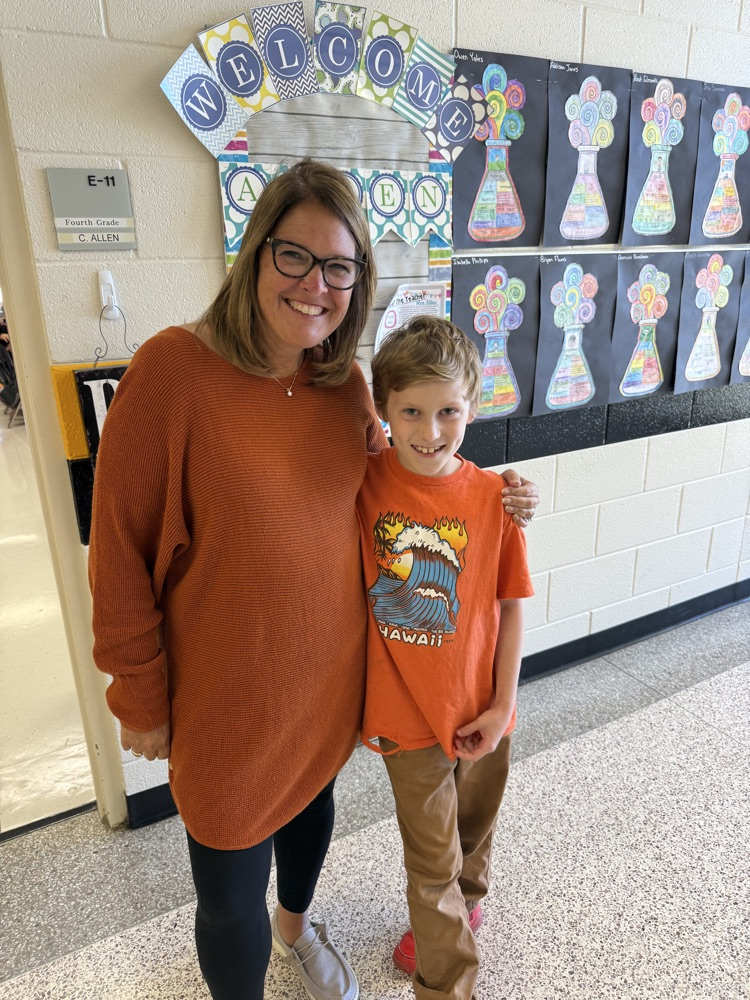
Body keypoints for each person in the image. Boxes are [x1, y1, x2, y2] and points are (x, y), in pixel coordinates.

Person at [87, 159, 539, 1000]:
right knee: (227, 896)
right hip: (227, 706)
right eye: (293, 256)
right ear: (255, 252)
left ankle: (296, 929)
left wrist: (499, 491)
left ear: (356, 280)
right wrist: (138, 697)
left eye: (339, 267)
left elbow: (416, 464)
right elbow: (117, 553)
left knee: (306, 825)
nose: (314, 285)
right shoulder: (172, 373)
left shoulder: (343, 386)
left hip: (328, 691)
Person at [357, 316, 534, 999]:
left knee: (474, 823)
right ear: (383, 410)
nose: (430, 431)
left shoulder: (496, 498)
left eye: (449, 412)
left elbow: (512, 604)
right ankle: (447, 981)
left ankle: (471, 896)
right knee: (430, 860)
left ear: (473, 406)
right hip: (406, 715)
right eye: (411, 412)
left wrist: (502, 705)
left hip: (484, 701)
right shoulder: (362, 485)